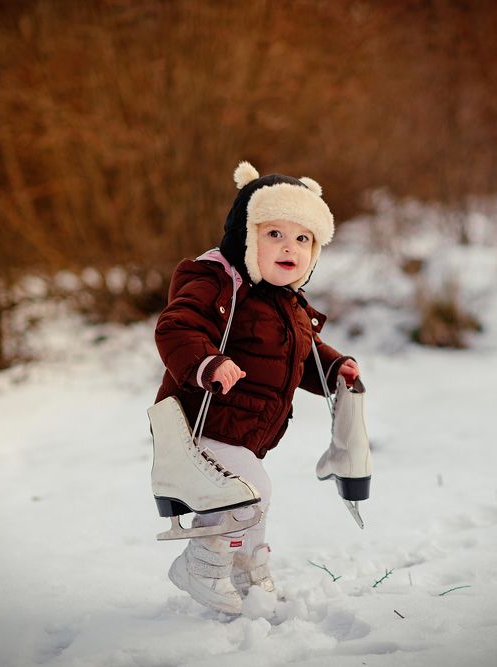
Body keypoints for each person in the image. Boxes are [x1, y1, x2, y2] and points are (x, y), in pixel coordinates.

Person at [153, 161, 360, 614]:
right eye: (274, 235)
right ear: (245, 237)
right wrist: (207, 361)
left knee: (254, 496)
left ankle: (245, 566)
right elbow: (176, 325)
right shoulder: (215, 282)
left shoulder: (288, 303)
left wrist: (335, 367)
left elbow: (301, 355)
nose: (290, 247)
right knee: (249, 488)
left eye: (303, 238)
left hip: (243, 429)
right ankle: (202, 567)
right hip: (199, 420)